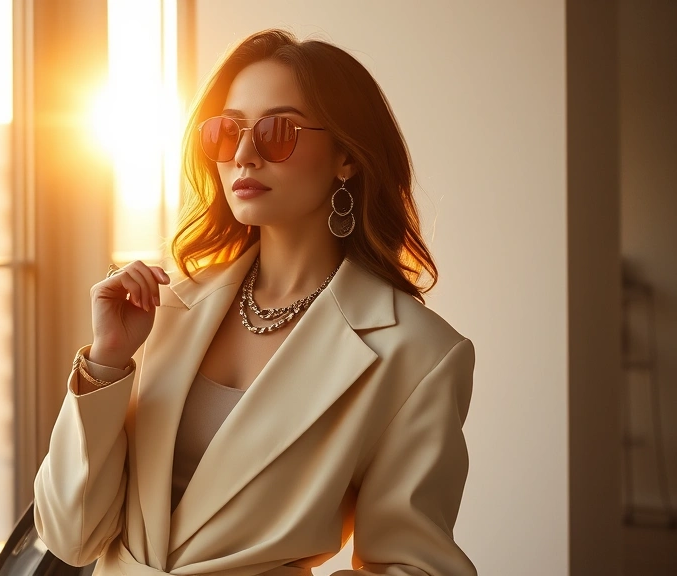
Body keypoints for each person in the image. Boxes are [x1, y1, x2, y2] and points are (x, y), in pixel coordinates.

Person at [33, 29, 476, 576]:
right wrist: (105, 363)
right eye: (225, 132)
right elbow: (70, 537)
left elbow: (415, 566)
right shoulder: (166, 311)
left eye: (277, 131)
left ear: (346, 156)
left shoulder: (418, 354)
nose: (243, 154)